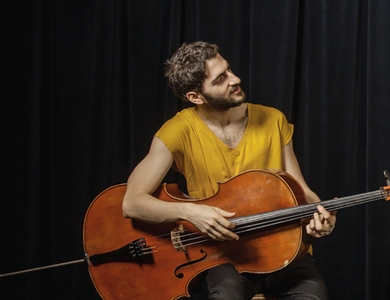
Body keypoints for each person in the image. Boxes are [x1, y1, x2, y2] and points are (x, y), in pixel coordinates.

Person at [121, 41, 334, 300]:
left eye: (229, 70)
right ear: (195, 96)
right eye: (221, 78)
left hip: (283, 247)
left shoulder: (273, 119)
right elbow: (132, 203)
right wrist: (190, 211)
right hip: (223, 254)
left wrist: (321, 216)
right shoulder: (178, 131)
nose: (235, 79)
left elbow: (302, 191)